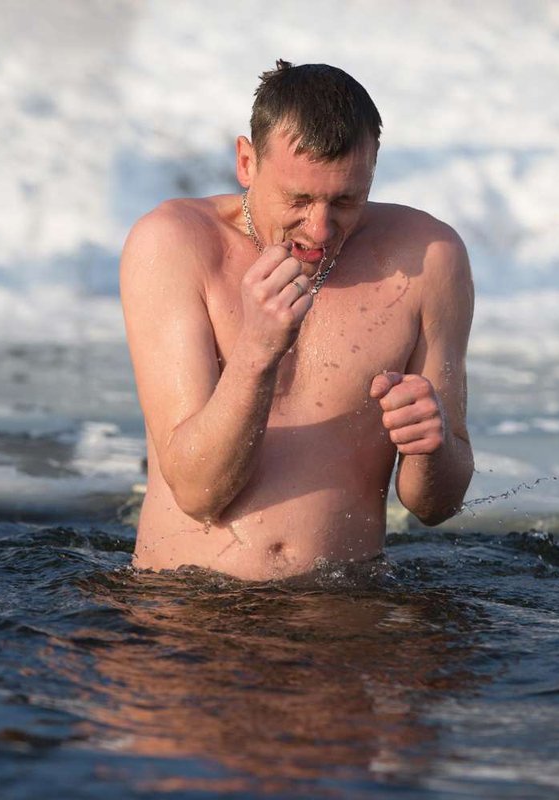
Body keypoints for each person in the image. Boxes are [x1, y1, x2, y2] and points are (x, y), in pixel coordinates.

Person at [120, 60, 473, 580]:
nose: (321, 227)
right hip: (184, 604)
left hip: (344, 606)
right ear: (246, 162)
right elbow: (198, 493)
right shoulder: (173, 244)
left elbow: (435, 505)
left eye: (345, 200)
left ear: (373, 166)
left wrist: (431, 445)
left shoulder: (428, 259)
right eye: (299, 199)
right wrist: (257, 351)